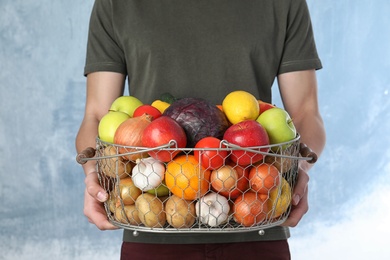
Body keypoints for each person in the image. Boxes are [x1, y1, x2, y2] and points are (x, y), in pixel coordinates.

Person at [76, 0, 326, 259]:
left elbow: (306, 112)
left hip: (256, 222)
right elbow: (96, 114)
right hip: (153, 228)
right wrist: (93, 171)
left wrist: (301, 169)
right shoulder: (116, 4)